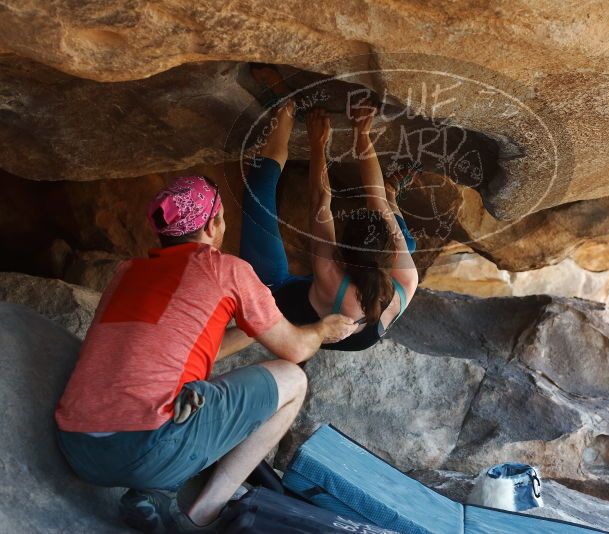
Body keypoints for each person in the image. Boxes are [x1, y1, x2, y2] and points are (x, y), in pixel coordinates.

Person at [54, 110, 358, 533]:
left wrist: (253, 329)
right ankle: (205, 512)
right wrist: (324, 329)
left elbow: (195, 346)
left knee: (187, 390)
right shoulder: (224, 269)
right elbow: (295, 349)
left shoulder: (127, 272)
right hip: (146, 445)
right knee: (294, 381)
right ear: (215, 221)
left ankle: (154, 493)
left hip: (77, 446)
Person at [240, 98, 420, 352]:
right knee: (408, 245)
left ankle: (286, 107)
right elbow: (377, 200)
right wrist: (362, 133)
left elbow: (320, 201)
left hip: (289, 308)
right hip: (352, 318)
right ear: (388, 252)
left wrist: (318, 143)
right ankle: (394, 194)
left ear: (341, 253)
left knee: (258, 190)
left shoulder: (331, 274)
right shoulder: (407, 279)